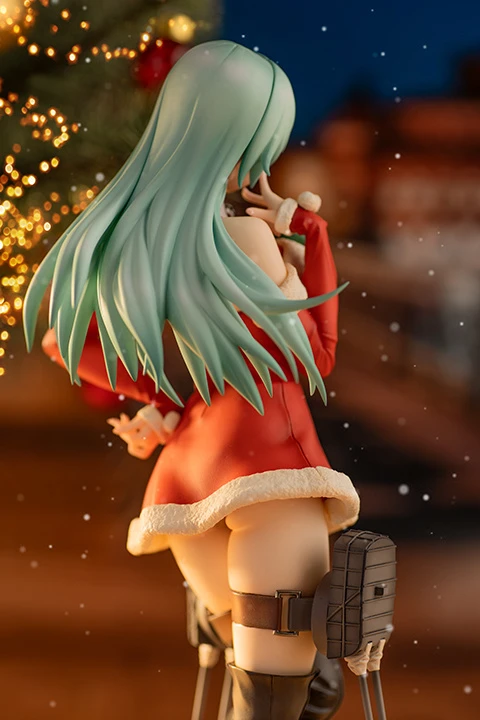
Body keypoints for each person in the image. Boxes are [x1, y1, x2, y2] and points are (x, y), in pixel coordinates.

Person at [24, 40, 359, 719]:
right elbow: (316, 358)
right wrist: (309, 234)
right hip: (269, 475)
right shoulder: (250, 240)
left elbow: (67, 343)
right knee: (276, 697)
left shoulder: (141, 239)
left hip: (188, 481)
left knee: (257, 679)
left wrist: (164, 399)